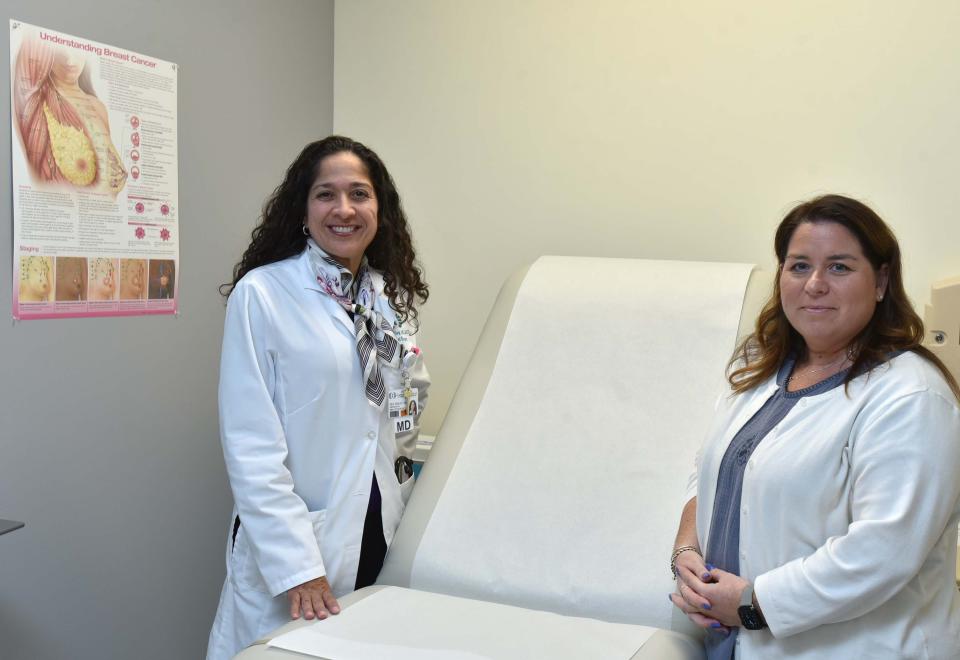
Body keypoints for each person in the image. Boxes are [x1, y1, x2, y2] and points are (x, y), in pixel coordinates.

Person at [669, 194, 960, 658]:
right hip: (736, 641)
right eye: (799, 266)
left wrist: (751, 603)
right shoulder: (757, 370)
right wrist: (685, 554)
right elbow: (710, 471)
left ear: (881, 280)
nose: (815, 284)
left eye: (840, 267)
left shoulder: (910, 396)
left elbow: (882, 552)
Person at [207, 136, 430, 660]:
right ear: (304, 212)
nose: (345, 209)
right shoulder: (263, 294)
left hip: (378, 527)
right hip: (302, 542)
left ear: (380, 210)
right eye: (326, 195)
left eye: (360, 193)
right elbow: (250, 443)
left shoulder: (385, 301)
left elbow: (402, 414)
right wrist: (297, 566)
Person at [13, 34, 126, 195]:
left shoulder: (98, 107)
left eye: (76, 52)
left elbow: (113, 173)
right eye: (59, 53)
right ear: (47, 58)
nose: (69, 60)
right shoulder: (36, 102)